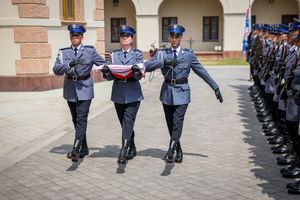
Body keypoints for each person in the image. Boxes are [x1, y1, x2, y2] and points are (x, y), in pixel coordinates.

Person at [145, 24, 223, 163]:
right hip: (167, 92)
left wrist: (215, 87)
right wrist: (162, 62)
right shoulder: (162, 53)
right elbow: (147, 67)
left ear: (181, 37)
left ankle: (170, 150)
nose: (174, 39)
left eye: (177, 36)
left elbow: (201, 71)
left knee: (178, 122)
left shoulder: (188, 55)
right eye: (172, 36)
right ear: (169, 37)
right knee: (170, 124)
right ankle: (178, 150)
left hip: (182, 91)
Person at [53, 24, 105, 162]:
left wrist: (115, 70)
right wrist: (69, 65)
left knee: (81, 118)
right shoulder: (63, 52)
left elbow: (103, 64)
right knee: (76, 119)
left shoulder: (90, 51)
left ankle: (75, 149)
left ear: (82, 37)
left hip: (85, 87)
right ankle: (84, 147)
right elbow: (56, 69)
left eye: (77, 35)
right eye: (72, 35)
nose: (74, 38)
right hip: (70, 88)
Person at [100, 25, 144, 165]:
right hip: (118, 92)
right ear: (120, 39)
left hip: (133, 92)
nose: (124, 38)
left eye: (127, 36)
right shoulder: (113, 55)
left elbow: (139, 75)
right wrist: (106, 73)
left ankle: (124, 151)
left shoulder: (137, 54)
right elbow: (110, 77)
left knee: (128, 120)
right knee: (124, 123)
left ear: (131, 39)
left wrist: (136, 72)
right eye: (122, 36)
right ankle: (132, 146)